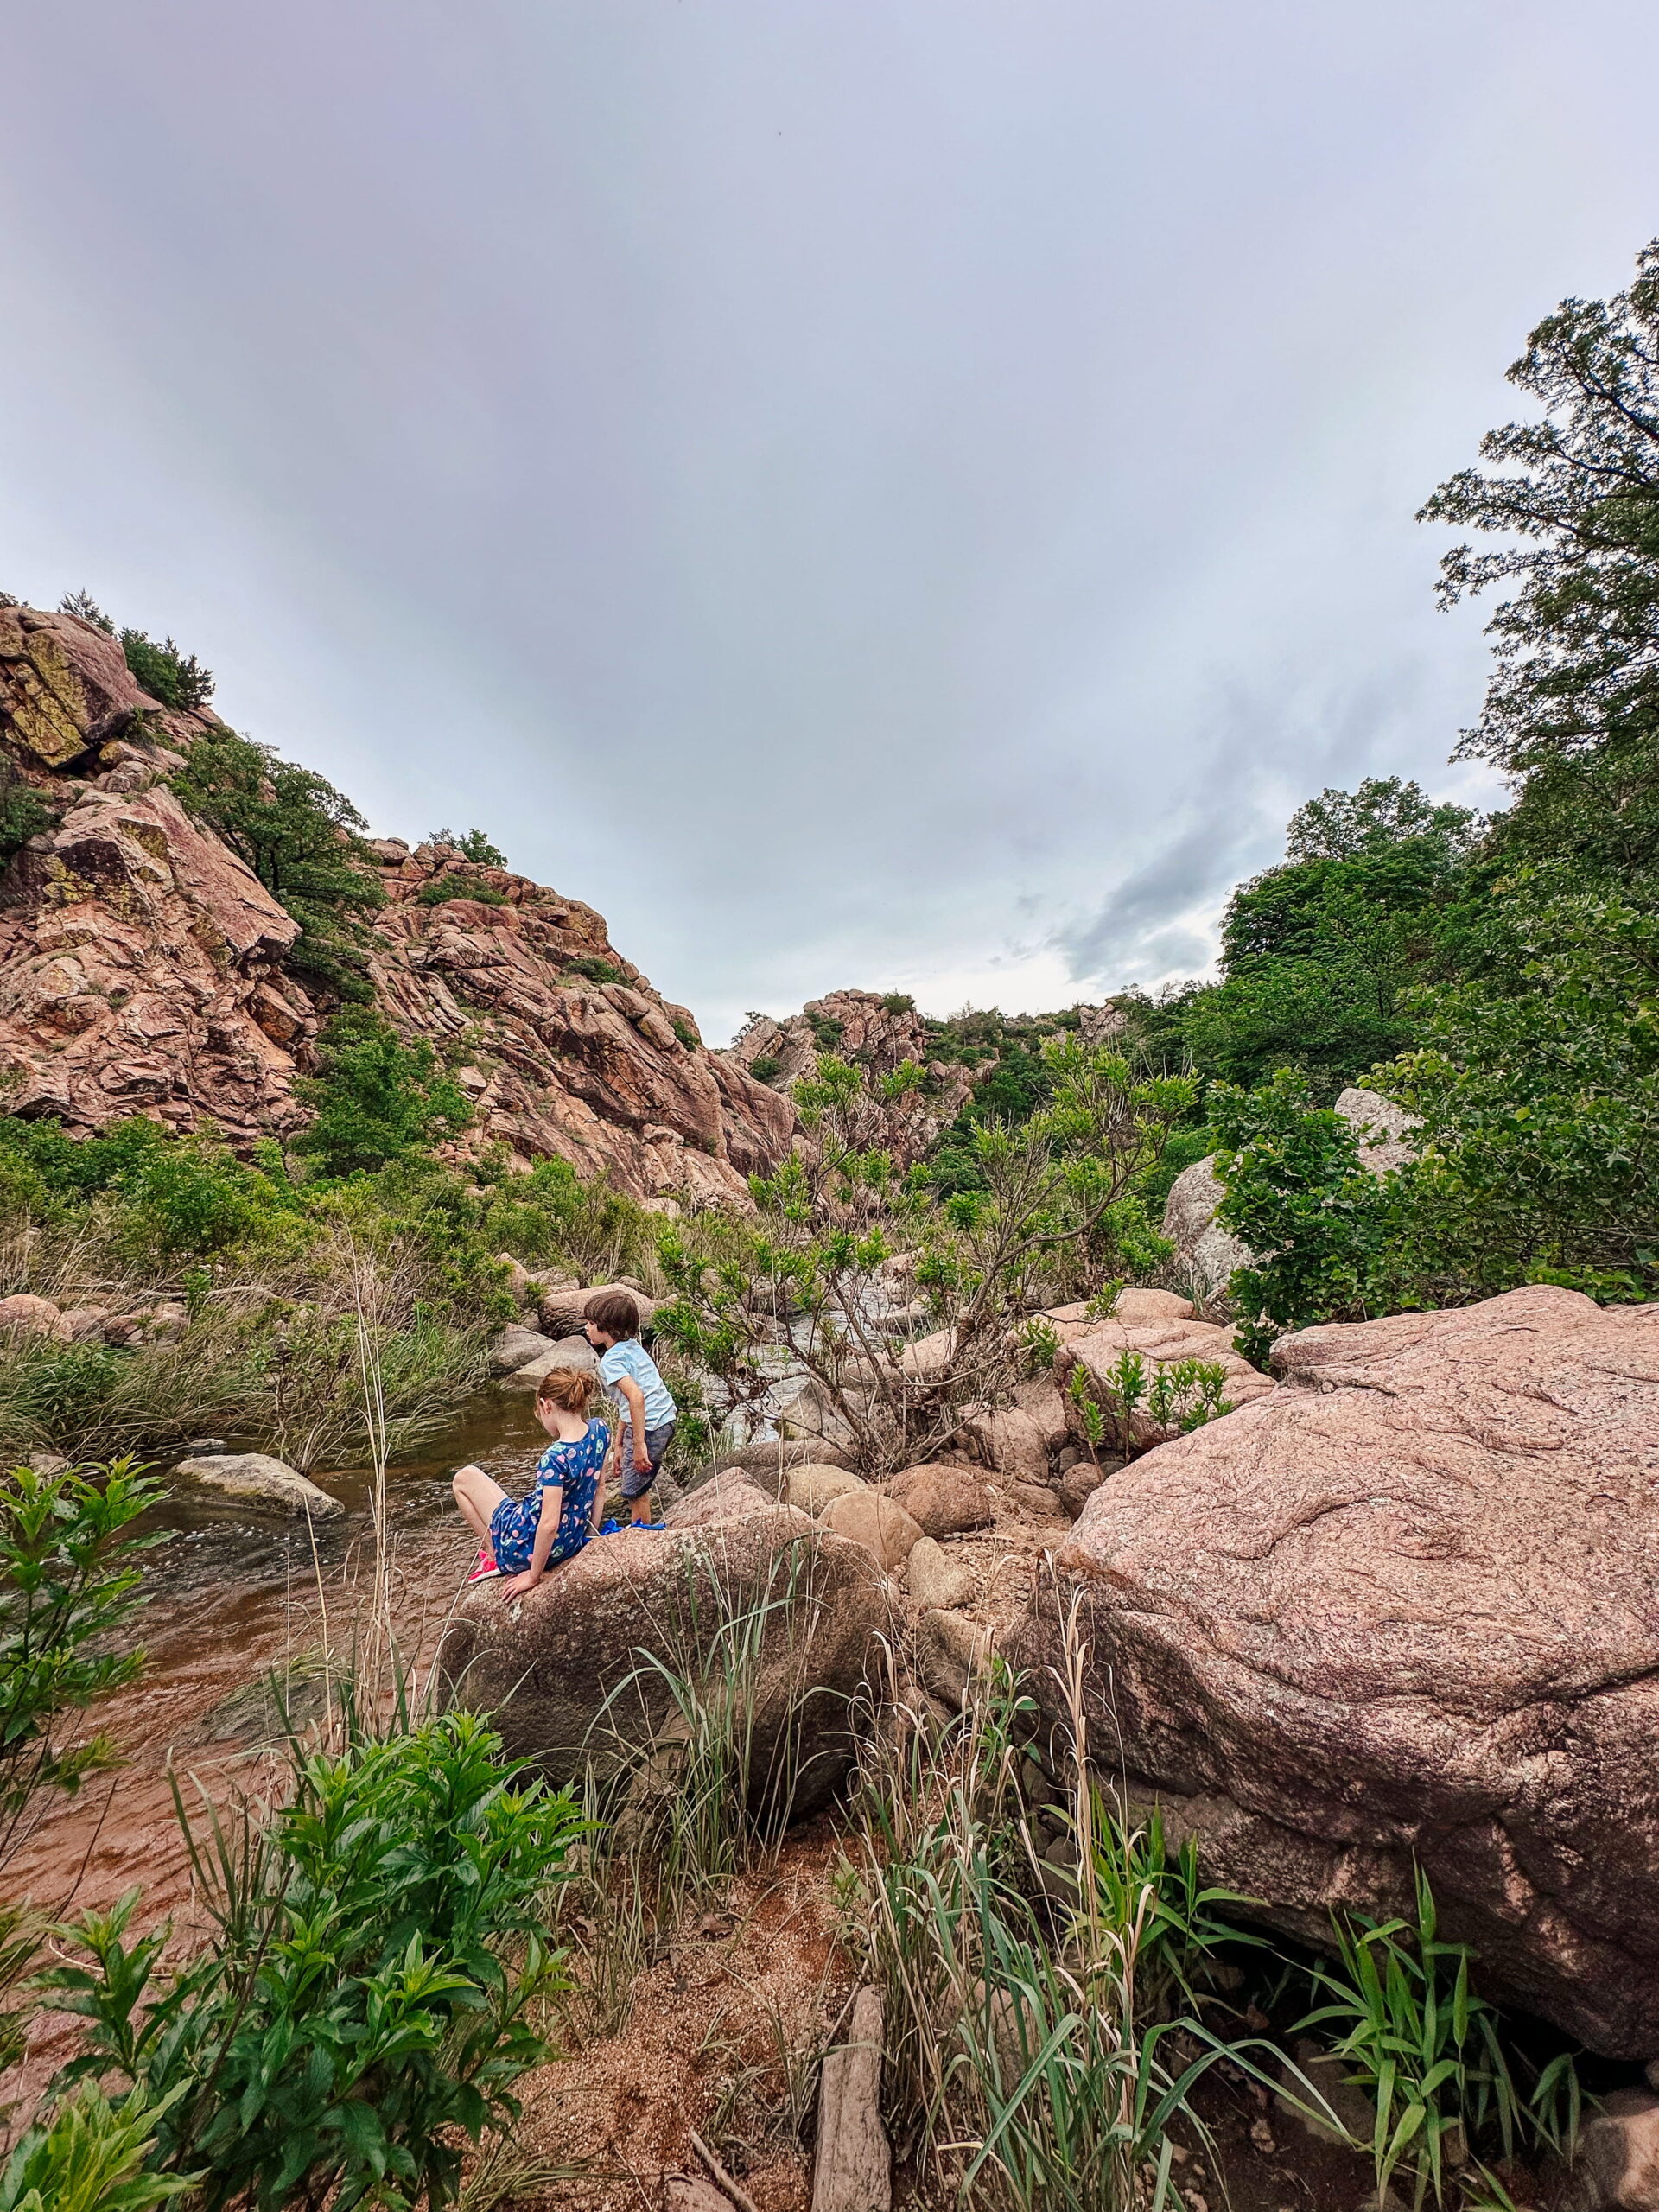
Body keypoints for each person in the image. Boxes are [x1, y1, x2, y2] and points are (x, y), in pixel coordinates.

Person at [451, 1363, 609, 1597]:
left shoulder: (555, 1458)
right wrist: (588, 1538)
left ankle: (494, 1555)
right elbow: (600, 1490)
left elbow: (549, 1523)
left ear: (547, 1406)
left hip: (528, 1546)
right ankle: (496, 1552)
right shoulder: (600, 1430)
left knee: (463, 1478)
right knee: (515, 1504)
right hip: (571, 1540)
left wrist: (533, 1576)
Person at [582, 1288, 677, 1527]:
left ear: (608, 1328)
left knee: (635, 1489)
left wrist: (638, 1444)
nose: (586, 1328)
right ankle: (641, 1528)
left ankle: (641, 1536)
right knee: (635, 1481)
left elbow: (636, 1398)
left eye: (591, 1323)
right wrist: (619, 1442)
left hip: (650, 1427)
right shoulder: (633, 1348)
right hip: (664, 1419)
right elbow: (627, 1404)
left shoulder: (611, 1360)